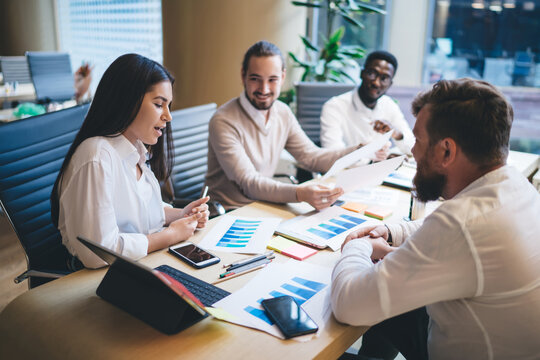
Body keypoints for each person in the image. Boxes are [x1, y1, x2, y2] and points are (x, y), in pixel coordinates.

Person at [331, 78, 540, 359]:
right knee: (387, 305)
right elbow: (450, 231)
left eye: (418, 140)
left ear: (446, 151)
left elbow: (347, 304)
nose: (413, 151)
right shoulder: (515, 185)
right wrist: (393, 232)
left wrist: (361, 245)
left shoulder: (461, 224)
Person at [51, 54, 210, 269]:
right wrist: (170, 235)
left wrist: (181, 215)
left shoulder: (136, 151)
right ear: (127, 101)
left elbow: (140, 211)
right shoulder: (97, 156)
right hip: (97, 278)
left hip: (142, 265)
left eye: (168, 106)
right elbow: (98, 253)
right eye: (158, 104)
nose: (168, 116)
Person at [205, 40, 387, 211]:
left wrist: (360, 149)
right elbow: (249, 183)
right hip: (230, 214)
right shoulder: (224, 121)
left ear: (283, 77)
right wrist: (299, 193)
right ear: (243, 75)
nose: (264, 89)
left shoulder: (281, 112)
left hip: (265, 207)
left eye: (272, 79)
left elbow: (312, 157)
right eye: (255, 79)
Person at [320, 51, 414, 156]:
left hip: (379, 170)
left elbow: (412, 148)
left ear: (390, 84)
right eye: (372, 74)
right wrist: (373, 158)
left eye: (384, 78)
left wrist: (397, 134)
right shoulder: (335, 106)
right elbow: (333, 154)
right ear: (362, 74)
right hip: (346, 171)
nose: (376, 83)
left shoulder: (389, 105)